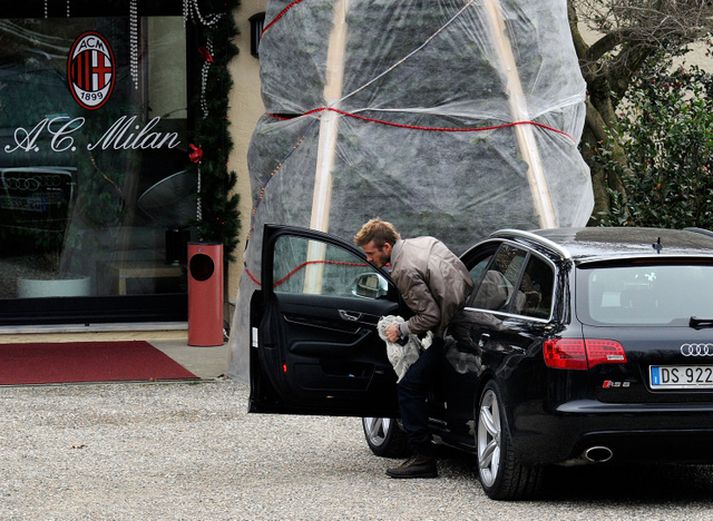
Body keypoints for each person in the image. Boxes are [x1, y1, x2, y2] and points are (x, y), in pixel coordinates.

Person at [354, 218, 473, 478]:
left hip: (448, 333)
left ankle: (423, 457)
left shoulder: (402, 270)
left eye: (371, 253)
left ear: (386, 247)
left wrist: (402, 329)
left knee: (409, 386)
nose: (369, 259)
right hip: (464, 320)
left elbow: (429, 316)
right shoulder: (421, 243)